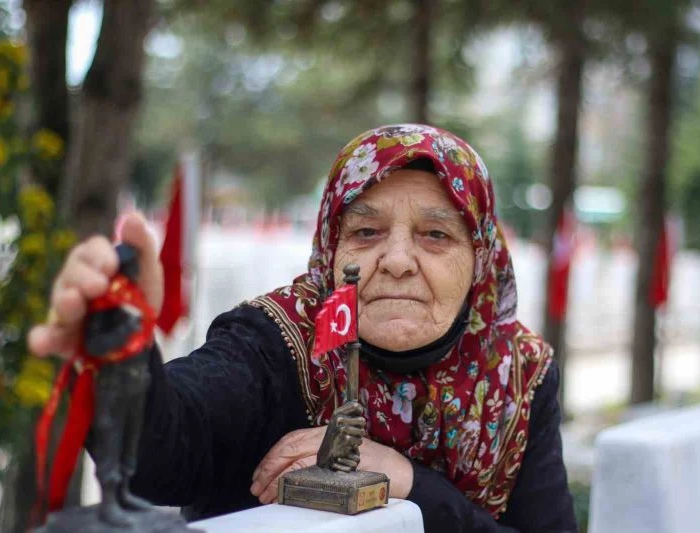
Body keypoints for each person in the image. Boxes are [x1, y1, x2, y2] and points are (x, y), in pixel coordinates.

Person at [29, 124, 577, 532]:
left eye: (436, 235)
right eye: (366, 231)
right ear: (329, 250)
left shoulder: (517, 374)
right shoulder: (274, 342)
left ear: (479, 258)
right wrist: (121, 347)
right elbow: (162, 451)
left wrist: (407, 483)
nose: (398, 260)